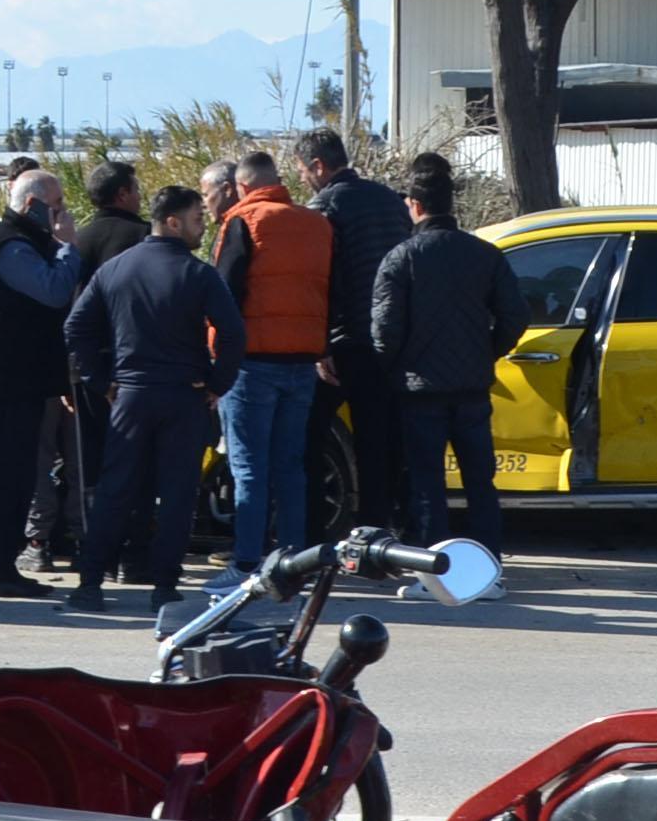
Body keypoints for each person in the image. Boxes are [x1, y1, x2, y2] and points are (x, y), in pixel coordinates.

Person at [62, 183, 243, 611]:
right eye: (198, 219)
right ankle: (164, 586)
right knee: (178, 494)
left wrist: (101, 381)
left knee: (114, 490)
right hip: (184, 395)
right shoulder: (199, 274)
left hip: (130, 395)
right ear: (174, 222)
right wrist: (218, 383)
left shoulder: (116, 269)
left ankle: (91, 583)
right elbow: (234, 333)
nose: (203, 227)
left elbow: (76, 327)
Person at [371, 152, 525, 560]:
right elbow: (515, 317)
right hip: (472, 387)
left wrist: (390, 371)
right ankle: (487, 565)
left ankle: (433, 569)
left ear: (415, 206)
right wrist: (486, 353)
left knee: (427, 484)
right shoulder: (485, 254)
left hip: (420, 390)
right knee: (480, 483)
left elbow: (384, 333)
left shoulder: (400, 259)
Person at [211, 148, 335, 577]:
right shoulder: (317, 224)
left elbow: (223, 297)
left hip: (252, 362)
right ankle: (294, 561)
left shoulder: (241, 221)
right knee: (291, 468)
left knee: (249, 468)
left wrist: (215, 358)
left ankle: (246, 563)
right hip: (302, 361)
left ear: (241, 186)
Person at [0, 168, 81, 597]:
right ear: (32, 205)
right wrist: (68, 248)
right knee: (9, 477)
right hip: (6, 384)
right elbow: (51, 291)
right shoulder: (12, 245)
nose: (62, 216)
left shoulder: (20, 241)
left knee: (7, 476)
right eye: (57, 207)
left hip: (11, 380)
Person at [300, 128, 412, 531]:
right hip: (389, 340)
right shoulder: (392, 202)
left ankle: (312, 533)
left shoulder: (324, 206)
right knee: (377, 440)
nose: (301, 179)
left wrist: (321, 342)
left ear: (318, 165)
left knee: (308, 436)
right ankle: (376, 531)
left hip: (344, 341)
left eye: (302, 170)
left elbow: (322, 277)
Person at [62, 161, 152, 575]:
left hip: (86, 369)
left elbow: (66, 307)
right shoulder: (142, 239)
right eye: (135, 188)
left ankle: (98, 552)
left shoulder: (78, 239)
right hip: (132, 370)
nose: (140, 195)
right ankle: (135, 556)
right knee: (138, 465)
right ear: (122, 195)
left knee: (94, 467)